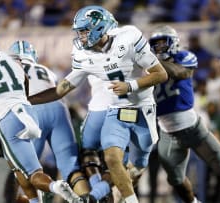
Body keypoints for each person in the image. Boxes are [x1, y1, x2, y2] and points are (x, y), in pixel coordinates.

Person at [28, 5, 168, 203]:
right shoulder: (83, 54)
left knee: (137, 166)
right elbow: (62, 88)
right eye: (79, 32)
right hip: (115, 110)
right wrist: (28, 99)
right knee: (111, 158)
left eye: (84, 31)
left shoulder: (128, 37)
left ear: (99, 28)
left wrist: (130, 86)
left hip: (143, 109)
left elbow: (161, 74)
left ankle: (104, 193)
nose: (81, 37)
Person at [0, 26, 82, 203]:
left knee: (32, 174)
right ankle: (37, 200)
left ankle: (55, 187)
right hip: (28, 113)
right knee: (20, 168)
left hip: (6, 119)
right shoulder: (11, 59)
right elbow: (25, 82)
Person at [148, 25, 220, 203]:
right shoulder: (147, 69)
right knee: (176, 181)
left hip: (194, 128)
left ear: (173, 43)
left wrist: (153, 63)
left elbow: (180, 72)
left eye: (163, 43)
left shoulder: (183, 57)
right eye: (156, 44)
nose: (159, 47)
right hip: (167, 133)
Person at [8, 40, 91, 197]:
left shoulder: (11, 69)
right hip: (59, 108)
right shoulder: (47, 70)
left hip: (32, 109)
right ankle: (86, 199)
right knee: (71, 167)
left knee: (26, 172)